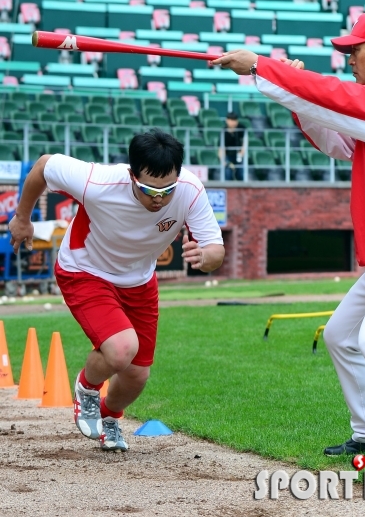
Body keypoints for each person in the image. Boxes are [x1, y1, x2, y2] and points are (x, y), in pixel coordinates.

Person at [212, 12, 365, 479]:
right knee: (341, 336)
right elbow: (333, 137)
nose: (348, 57)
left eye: (355, 50)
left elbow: (338, 100)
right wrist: (298, 91)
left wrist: (262, 66)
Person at [9, 129, 225, 452]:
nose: (159, 199)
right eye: (149, 189)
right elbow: (43, 165)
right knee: (122, 349)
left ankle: (109, 419)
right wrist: (22, 217)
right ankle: (87, 387)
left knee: (137, 375)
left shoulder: (190, 191)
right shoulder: (98, 182)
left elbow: (215, 251)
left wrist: (204, 257)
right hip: (85, 270)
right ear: (131, 175)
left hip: (138, 280)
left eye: (167, 190)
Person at [218, 112, 245, 181]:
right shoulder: (223, 131)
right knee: (228, 173)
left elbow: (244, 142)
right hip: (228, 155)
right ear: (227, 120)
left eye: (235, 120)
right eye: (231, 120)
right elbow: (221, 148)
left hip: (238, 155)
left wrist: (241, 153)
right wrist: (223, 161)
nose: (233, 122)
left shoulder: (241, 128)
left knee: (241, 173)